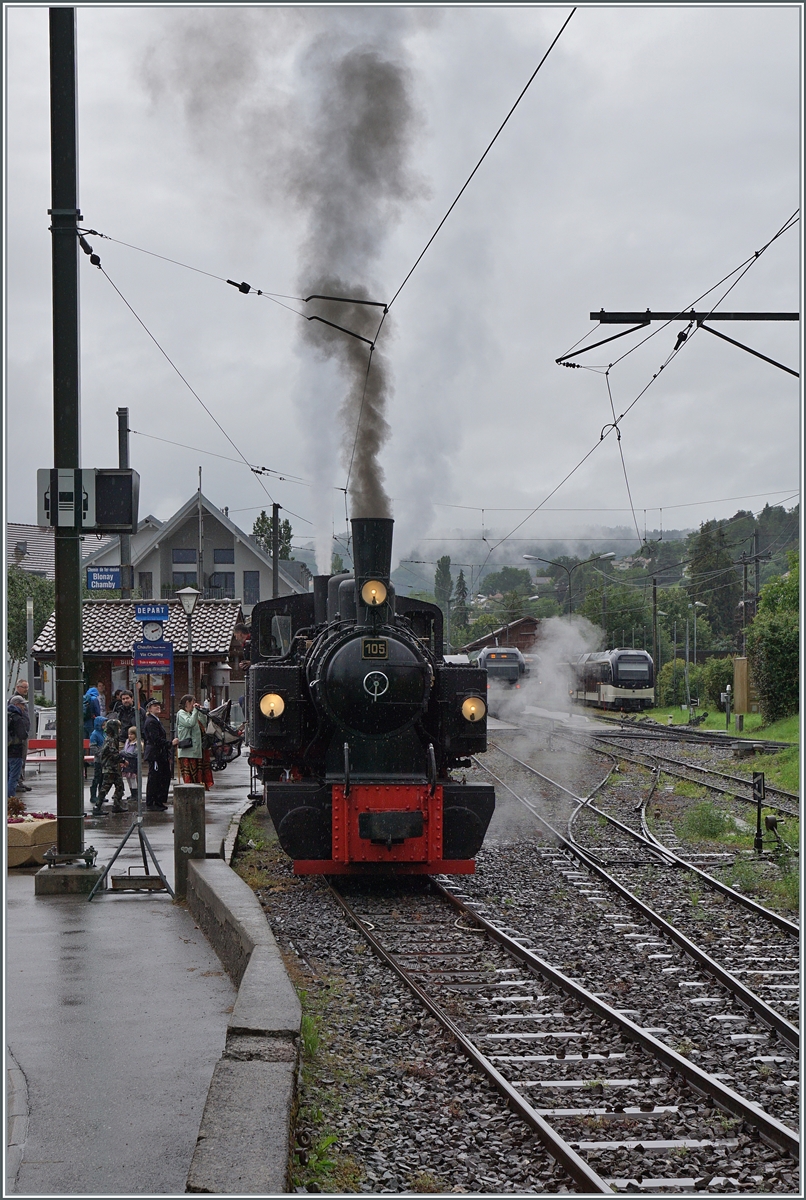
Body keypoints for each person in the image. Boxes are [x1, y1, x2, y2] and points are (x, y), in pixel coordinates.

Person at [143, 700, 177, 811]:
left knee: (163, 777)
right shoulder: (151, 722)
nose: (157, 707)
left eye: (158, 705)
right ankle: (153, 802)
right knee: (155, 778)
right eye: (154, 706)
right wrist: (170, 743)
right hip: (155, 754)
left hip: (160, 753)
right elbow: (155, 739)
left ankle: (159, 801)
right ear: (149, 709)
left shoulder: (156, 721)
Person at [176, 694, 214, 790]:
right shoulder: (181, 714)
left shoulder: (193, 713)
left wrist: (200, 712)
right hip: (187, 751)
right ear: (187, 703)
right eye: (193, 702)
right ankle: (189, 795)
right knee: (189, 777)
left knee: (198, 777)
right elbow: (190, 723)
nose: (194, 705)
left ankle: (197, 792)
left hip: (197, 751)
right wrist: (195, 711)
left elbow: (204, 723)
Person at [95, 717, 127, 815]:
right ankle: (97, 807)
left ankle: (116, 805)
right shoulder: (111, 740)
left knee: (120, 786)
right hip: (110, 768)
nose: (120, 730)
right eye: (118, 728)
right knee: (105, 788)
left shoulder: (111, 739)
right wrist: (122, 760)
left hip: (114, 768)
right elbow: (114, 753)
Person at [7, 694, 30, 801]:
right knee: (13, 778)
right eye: (22, 705)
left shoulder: (6, 715)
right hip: (16, 751)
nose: (23, 707)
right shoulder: (17, 717)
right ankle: (10, 801)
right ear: (16, 704)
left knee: (6, 777)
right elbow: (22, 735)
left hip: (6, 750)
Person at [11, 679, 32, 792]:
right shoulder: (15, 700)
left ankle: (20, 781)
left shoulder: (22, 700)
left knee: (22, 758)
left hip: (23, 734)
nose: (26, 690)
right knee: (19, 759)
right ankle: (17, 782)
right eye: (24, 687)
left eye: (27, 687)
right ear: (18, 687)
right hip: (18, 736)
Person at [88, 715, 106, 809]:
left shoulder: (104, 733)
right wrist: (100, 754)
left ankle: (101, 795)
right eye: (103, 724)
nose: (105, 726)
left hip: (105, 760)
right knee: (97, 778)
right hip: (99, 760)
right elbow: (93, 747)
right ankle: (93, 796)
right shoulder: (95, 734)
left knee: (103, 779)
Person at [121, 726, 140, 805]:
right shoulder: (127, 742)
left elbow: (135, 754)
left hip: (132, 762)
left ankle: (135, 794)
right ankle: (132, 792)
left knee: (132, 778)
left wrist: (124, 753)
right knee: (128, 778)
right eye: (129, 734)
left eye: (132, 734)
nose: (130, 736)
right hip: (126, 762)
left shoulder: (137, 743)